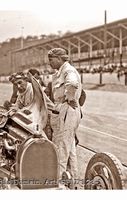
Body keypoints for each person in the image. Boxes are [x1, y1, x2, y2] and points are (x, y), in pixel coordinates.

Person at [47, 48, 82, 189]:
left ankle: (59, 188)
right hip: (66, 111)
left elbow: (72, 84)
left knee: (60, 150)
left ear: (59, 59)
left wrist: (70, 98)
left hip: (66, 111)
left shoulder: (68, 71)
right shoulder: (61, 72)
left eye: (51, 59)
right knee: (70, 149)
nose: (49, 63)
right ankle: (74, 184)